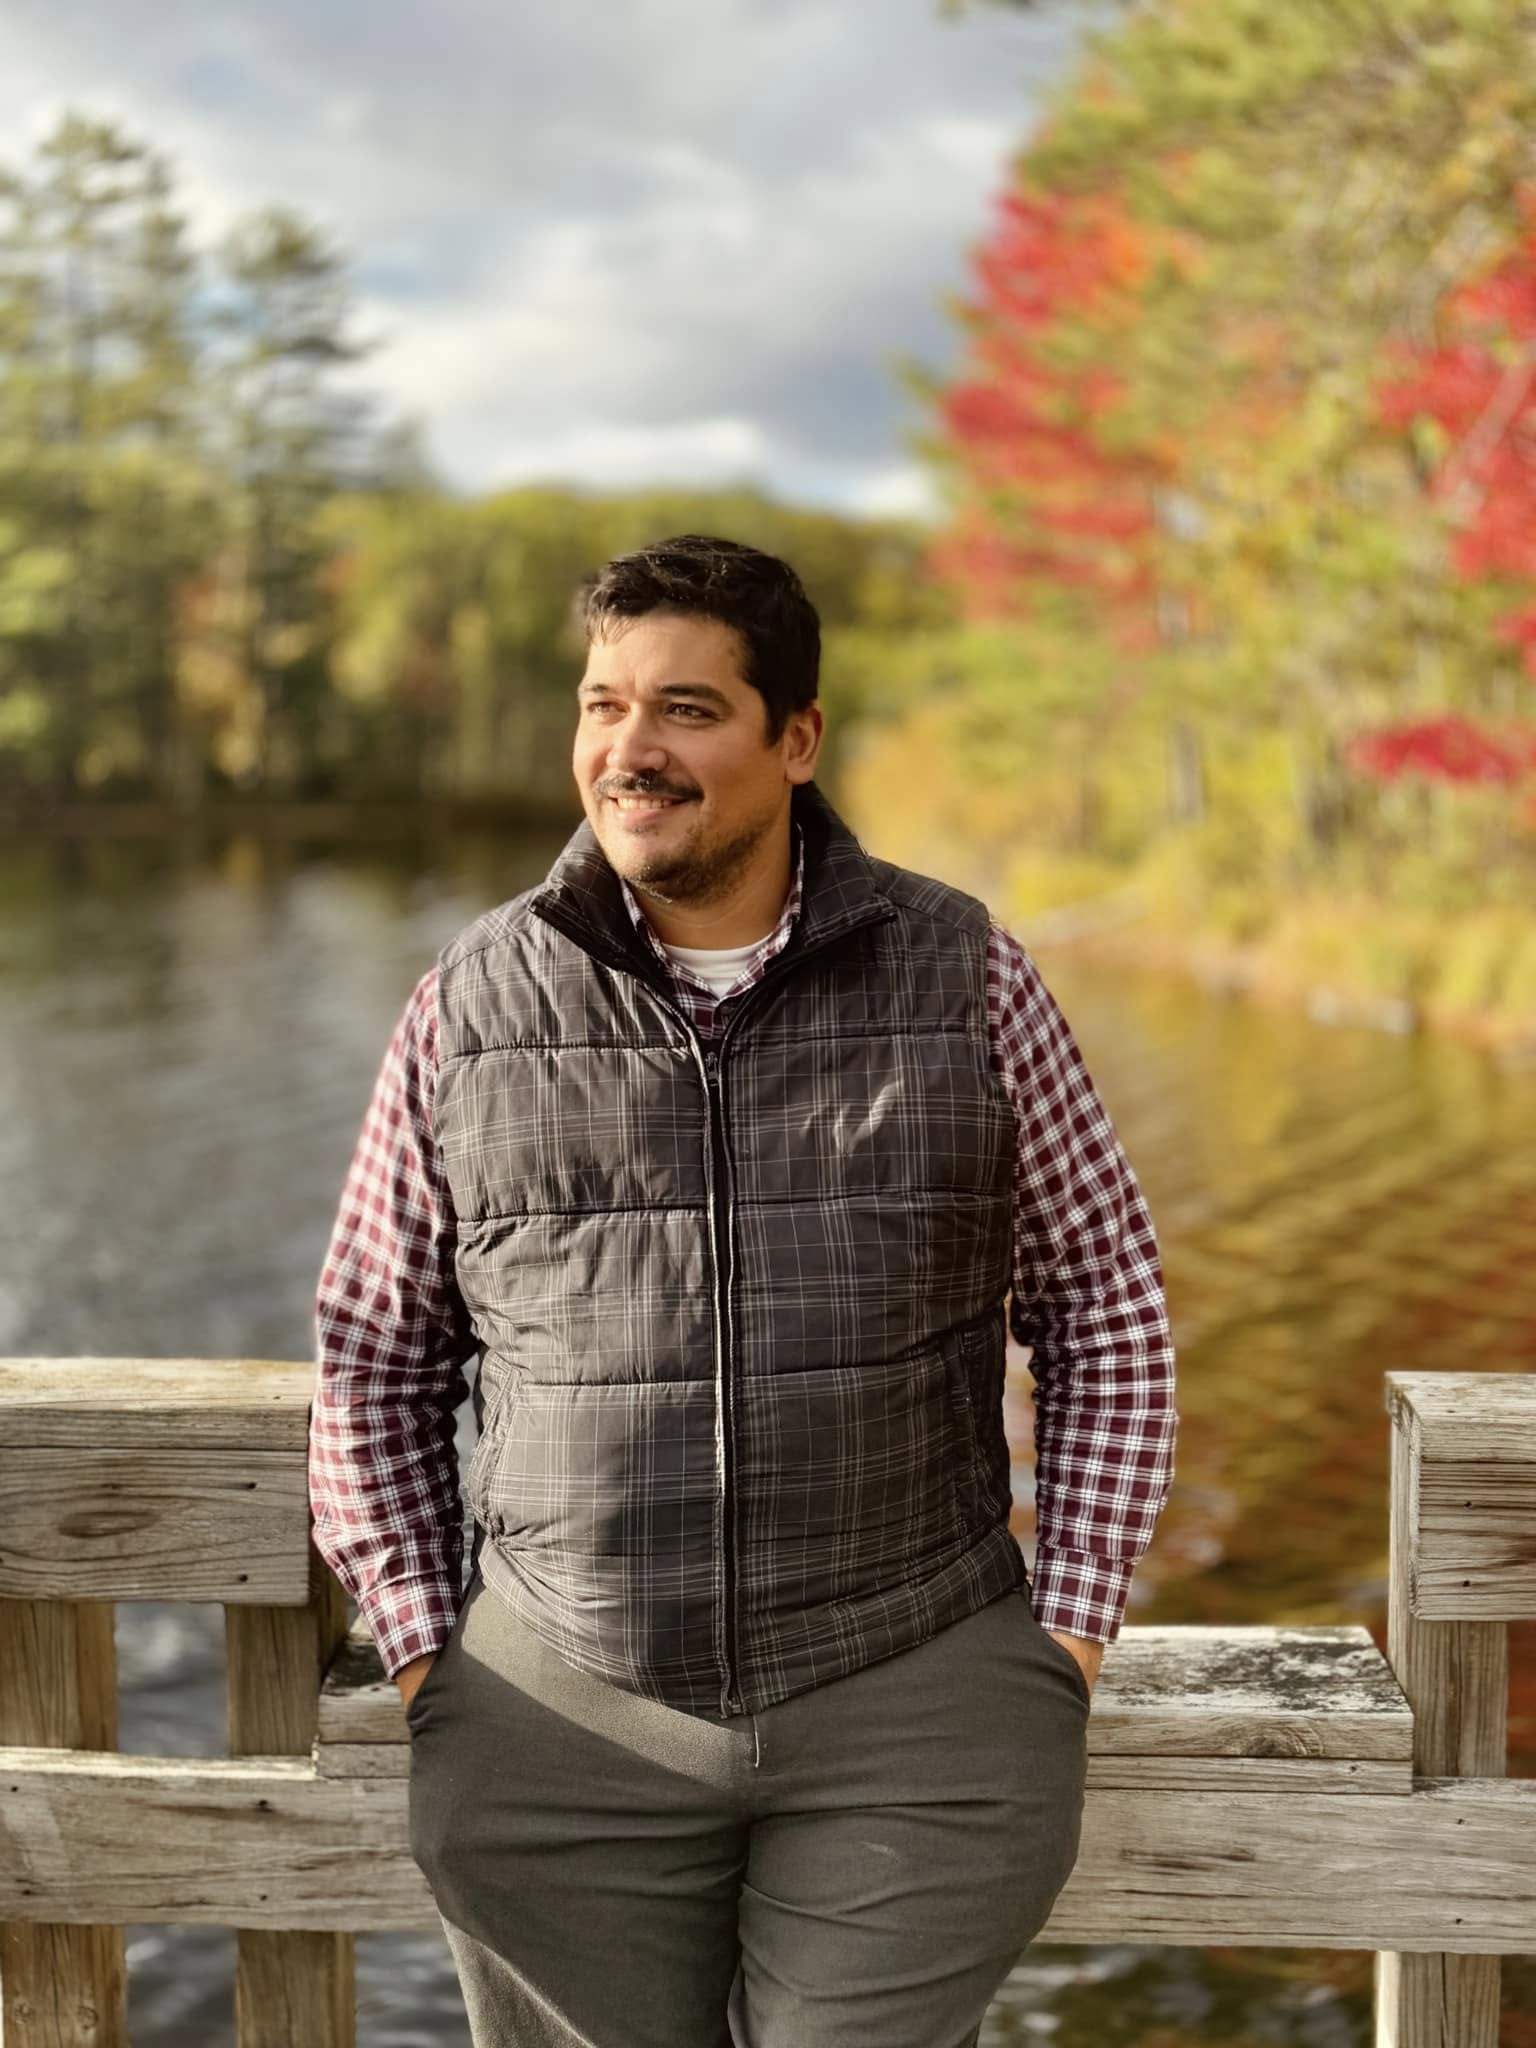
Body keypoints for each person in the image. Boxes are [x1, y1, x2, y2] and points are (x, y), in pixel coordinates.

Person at [309, 534, 1177, 2048]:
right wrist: (428, 1655)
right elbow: (376, 1355)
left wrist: (1068, 1637)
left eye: (687, 710)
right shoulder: (471, 1001)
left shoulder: (961, 972)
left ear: (796, 738)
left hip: (915, 1703)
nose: (629, 752)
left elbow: (1105, 1307)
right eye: (601, 706)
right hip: (551, 1717)